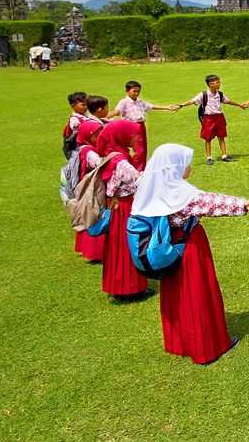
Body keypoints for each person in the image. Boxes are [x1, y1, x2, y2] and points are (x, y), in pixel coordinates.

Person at [131, 144, 248, 364]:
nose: (189, 167)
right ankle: (206, 346)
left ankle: (180, 341)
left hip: (166, 250)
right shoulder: (181, 193)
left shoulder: (151, 186)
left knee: (177, 296)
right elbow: (216, 203)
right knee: (197, 291)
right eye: (185, 164)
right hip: (189, 247)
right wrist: (248, 204)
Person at [96, 121, 153, 301]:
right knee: (128, 243)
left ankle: (118, 285)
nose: (136, 138)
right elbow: (138, 179)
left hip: (116, 206)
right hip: (124, 205)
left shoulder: (111, 154)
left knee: (116, 246)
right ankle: (131, 288)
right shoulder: (121, 160)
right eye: (133, 135)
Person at [108, 80, 179, 170]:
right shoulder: (124, 102)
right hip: (131, 127)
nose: (137, 93)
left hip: (141, 126)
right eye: (134, 91)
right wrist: (107, 117)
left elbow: (151, 106)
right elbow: (117, 111)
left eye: (138, 91)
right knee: (139, 151)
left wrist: (167, 107)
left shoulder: (140, 102)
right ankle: (137, 170)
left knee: (143, 149)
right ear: (127, 90)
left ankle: (142, 168)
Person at [176, 75, 246, 164]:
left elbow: (228, 101)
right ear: (211, 84)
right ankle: (209, 157)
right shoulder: (203, 94)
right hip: (208, 118)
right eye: (217, 82)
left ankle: (224, 155)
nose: (219, 84)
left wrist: (240, 105)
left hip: (219, 117)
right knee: (208, 139)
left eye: (219, 82)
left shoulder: (220, 94)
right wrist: (181, 105)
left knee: (221, 137)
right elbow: (192, 101)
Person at [73, 120, 106, 262]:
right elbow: (100, 163)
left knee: (88, 216)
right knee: (95, 216)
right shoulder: (90, 152)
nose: (100, 138)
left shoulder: (82, 148)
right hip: (93, 189)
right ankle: (96, 252)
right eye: (97, 135)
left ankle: (85, 248)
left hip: (86, 188)